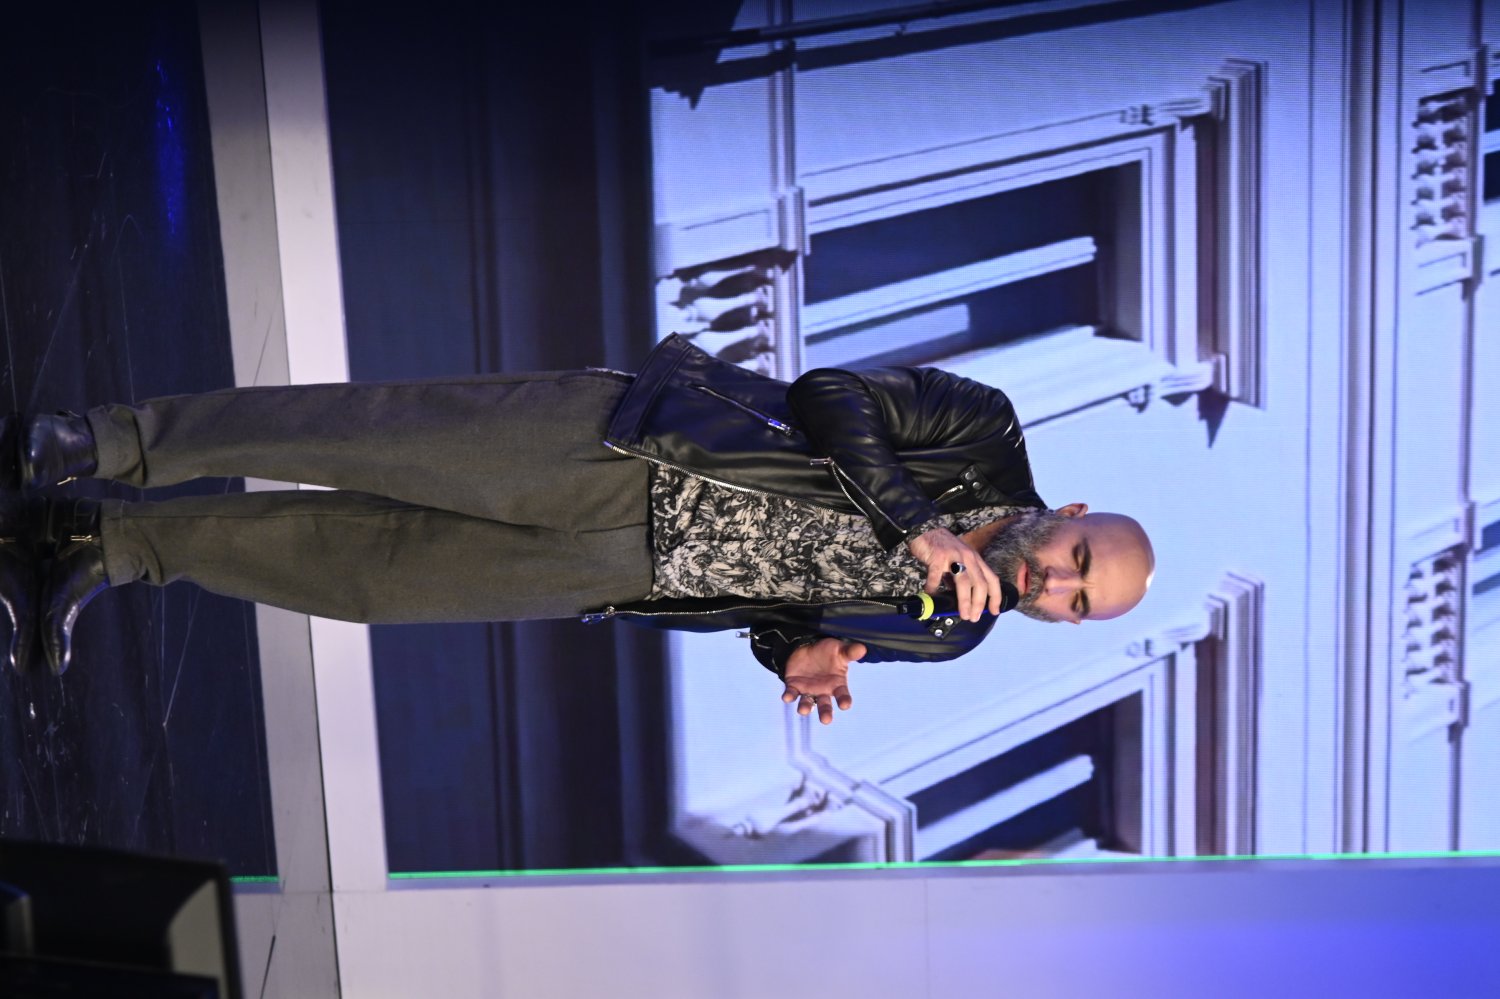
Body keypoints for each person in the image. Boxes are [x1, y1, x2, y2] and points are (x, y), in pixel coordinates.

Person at [0, 334, 1154, 724]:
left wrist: (796, 653)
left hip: (624, 568)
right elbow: (830, 396)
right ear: (1072, 514)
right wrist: (917, 522)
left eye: (1076, 605)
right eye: (1077, 563)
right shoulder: (984, 434)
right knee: (357, 437)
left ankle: (109, 548)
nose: (1057, 588)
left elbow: (774, 613)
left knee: (365, 575)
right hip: (629, 448)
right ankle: (102, 444)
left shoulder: (950, 634)